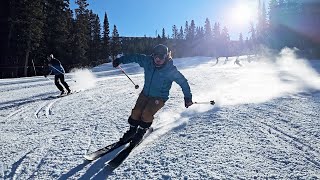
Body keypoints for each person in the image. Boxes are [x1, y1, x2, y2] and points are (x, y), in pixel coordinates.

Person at [112, 44, 193, 145]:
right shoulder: (148, 61)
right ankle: (132, 131)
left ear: (166, 56)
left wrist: (188, 97)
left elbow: (183, 82)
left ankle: (140, 133)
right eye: (156, 56)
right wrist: (120, 60)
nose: (158, 59)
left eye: (161, 57)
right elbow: (135, 57)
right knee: (136, 112)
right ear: (153, 56)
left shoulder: (170, 70)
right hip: (145, 93)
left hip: (159, 97)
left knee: (146, 114)